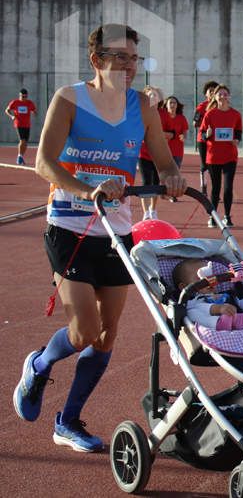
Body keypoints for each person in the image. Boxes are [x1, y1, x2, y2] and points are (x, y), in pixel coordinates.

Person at [13, 23, 187, 453]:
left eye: (134, 58)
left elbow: (164, 164)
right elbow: (44, 164)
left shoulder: (144, 107)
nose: (130, 66)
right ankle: (38, 365)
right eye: (120, 57)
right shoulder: (69, 99)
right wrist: (85, 189)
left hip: (117, 231)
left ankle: (68, 421)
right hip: (69, 226)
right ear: (97, 61)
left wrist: (173, 179)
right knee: (84, 330)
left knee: (108, 335)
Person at [172, 259, 243, 331]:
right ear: (184, 286)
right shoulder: (192, 300)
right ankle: (220, 323)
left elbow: (239, 302)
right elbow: (198, 308)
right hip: (212, 324)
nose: (208, 281)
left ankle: (240, 321)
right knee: (192, 313)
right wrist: (217, 309)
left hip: (236, 317)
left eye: (211, 277)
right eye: (200, 279)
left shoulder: (225, 294)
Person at [201, 84, 242, 228]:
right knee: (216, 187)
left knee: (228, 187)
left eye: (225, 94)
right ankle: (213, 217)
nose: (222, 96)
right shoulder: (210, 114)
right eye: (220, 94)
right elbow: (202, 134)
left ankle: (227, 216)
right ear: (215, 97)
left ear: (229, 97)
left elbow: (238, 132)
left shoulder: (235, 114)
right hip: (214, 156)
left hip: (230, 156)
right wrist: (207, 135)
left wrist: (236, 139)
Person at [137, 85, 165, 220]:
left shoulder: (163, 114)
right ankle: (145, 213)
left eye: (154, 95)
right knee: (145, 183)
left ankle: (153, 209)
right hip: (143, 154)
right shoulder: (138, 113)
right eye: (149, 95)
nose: (152, 97)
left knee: (155, 183)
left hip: (158, 154)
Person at [194, 80, 219, 196]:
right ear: (206, 94)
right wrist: (205, 127)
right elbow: (195, 122)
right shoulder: (201, 107)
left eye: (215, 91)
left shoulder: (220, 106)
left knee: (215, 165)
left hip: (217, 140)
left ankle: (215, 191)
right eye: (210, 91)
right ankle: (203, 187)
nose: (213, 93)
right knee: (205, 164)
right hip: (203, 139)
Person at [6, 88, 38, 165]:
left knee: (26, 143)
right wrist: (12, 116)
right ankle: (19, 156)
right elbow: (7, 110)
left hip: (27, 125)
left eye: (25, 96)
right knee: (22, 140)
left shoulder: (30, 103)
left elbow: (34, 111)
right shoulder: (15, 102)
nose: (24, 98)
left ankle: (21, 157)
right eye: (22, 96)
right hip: (18, 124)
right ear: (19, 96)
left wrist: (34, 113)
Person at [162, 95, 188, 168]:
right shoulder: (162, 117)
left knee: (175, 174)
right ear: (166, 105)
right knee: (164, 173)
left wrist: (184, 137)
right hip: (164, 151)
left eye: (174, 103)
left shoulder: (182, 118)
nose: (172, 104)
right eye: (170, 103)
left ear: (177, 105)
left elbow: (185, 132)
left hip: (177, 151)